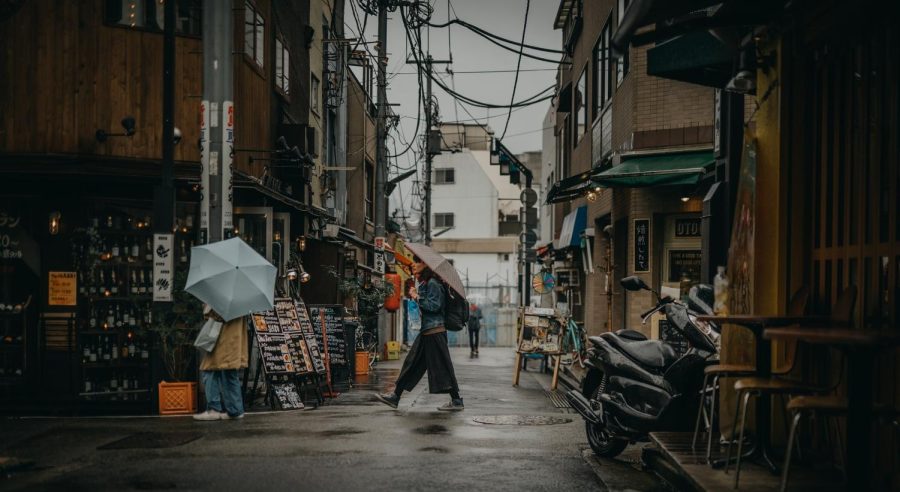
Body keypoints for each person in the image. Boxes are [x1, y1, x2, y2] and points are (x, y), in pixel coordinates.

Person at [375, 257, 464, 411]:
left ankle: (456, 400)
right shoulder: (427, 283)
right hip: (428, 331)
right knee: (412, 363)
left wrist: (417, 297)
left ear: (426, 265)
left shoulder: (434, 284)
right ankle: (395, 396)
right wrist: (417, 293)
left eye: (417, 263)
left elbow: (434, 306)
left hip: (434, 332)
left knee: (442, 366)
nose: (414, 265)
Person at [194, 305, 250, 420]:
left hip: (222, 337)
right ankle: (235, 410)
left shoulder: (224, 296)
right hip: (234, 338)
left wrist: (207, 308)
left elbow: (217, 315)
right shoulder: (241, 297)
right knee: (229, 372)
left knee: (209, 369)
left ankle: (213, 409)